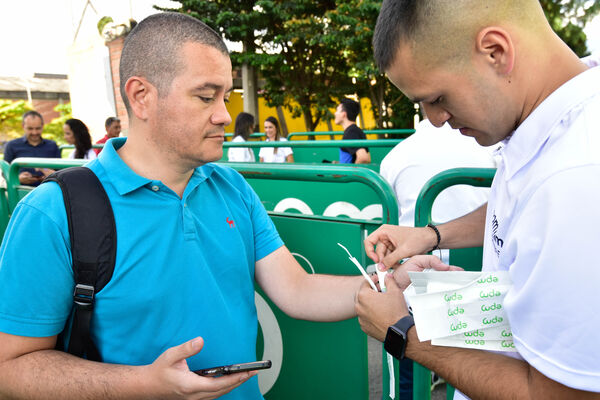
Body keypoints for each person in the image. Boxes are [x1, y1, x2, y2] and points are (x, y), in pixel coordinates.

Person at [0, 12, 374, 400]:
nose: (224, 115)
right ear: (141, 96)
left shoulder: (232, 187)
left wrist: (384, 286)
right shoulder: (55, 211)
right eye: (205, 96)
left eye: (225, 97)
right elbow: (10, 368)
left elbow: (296, 289)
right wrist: (144, 384)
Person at [356, 1, 600, 399]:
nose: (434, 119)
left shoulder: (577, 176)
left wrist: (404, 333)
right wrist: (433, 239)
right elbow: (528, 217)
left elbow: (561, 394)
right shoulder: (548, 123)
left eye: (436, 97)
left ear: (496, 52)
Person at [3, 110, 61, 186]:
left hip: (48, 189)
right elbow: (4, 174)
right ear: (23, 126)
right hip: (21, 191)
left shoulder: (52, 145)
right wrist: (18, 178)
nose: (34, 132)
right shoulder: (11, 145)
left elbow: (61, 172)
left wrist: (52, 175)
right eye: (30, 129)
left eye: (38, 128)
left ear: (43, 126)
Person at [335, 98, 370, 164]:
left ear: (343, 114)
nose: (335, 113)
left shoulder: (351, 132)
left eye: (337, 110)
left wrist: (350, 172)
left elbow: (364, 158)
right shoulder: (356, 130)